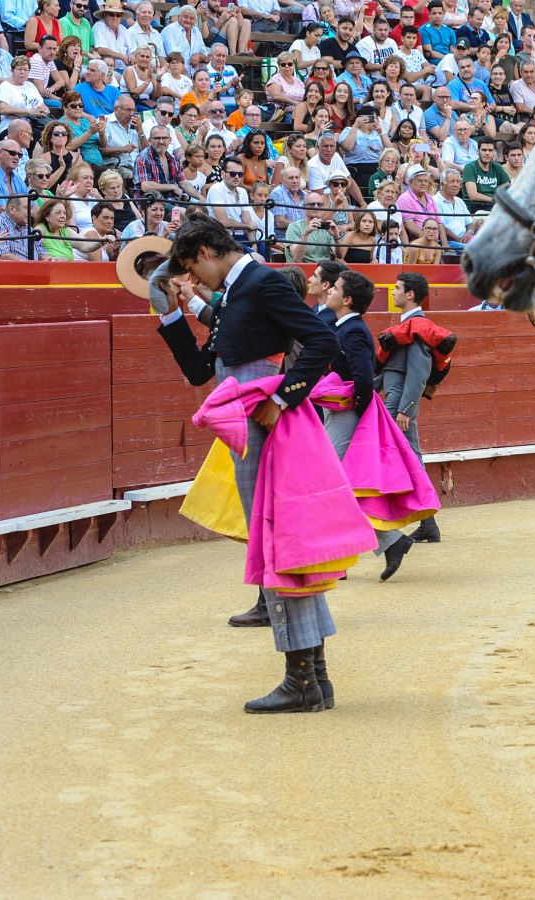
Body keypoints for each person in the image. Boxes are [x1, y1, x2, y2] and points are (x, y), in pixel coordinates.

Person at [155, 215, 341, 714]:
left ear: (207, 250)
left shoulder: (261, 282)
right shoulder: (238, 294)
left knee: (280, 541)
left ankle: (301, 678)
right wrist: (172, 315)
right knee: (279, 539)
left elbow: (324, 341)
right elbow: (202, 371)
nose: (194, 278)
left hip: (265, 424)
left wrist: (282, 397)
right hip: (243, 424)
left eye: (192, 267)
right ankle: (314, 677)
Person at [323, 269, 420, 580]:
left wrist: (362, 415)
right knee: (341, 486)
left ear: (347, 299)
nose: (330, 292)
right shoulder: (345, 327)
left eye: (335, 288)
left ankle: (341, 557)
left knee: (334, 484)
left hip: (348, 414)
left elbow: (363, 378)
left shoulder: (352, 331)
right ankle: (388, 543)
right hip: (343, 412)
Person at [377, 271, 441, 542]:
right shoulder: (408, 324)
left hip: (399, 403)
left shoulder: (416, 326)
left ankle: (392, 529)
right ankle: (427, 524)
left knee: (396, 459)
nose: (393, 292)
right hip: (395, 398)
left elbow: (418, 370)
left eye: (397, 288)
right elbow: (397, 368)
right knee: (410, 458)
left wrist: (407, 408)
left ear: (410, 294)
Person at [134, 124, 202, 200]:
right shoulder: (143, 158)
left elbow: (184, 183)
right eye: (157, 138)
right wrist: (172, 187)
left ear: (170, 140)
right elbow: (146, 186)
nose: (161, 141)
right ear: (150, 141)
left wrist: (200, 197)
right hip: (152, 204)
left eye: (165, 138)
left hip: (172, 202)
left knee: (196, 209)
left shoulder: (173, 159)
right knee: (183, 211)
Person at [207, 155, 259, 245]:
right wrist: (247, 226)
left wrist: (254, 244)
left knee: (268, 253)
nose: (236, 177)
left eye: (240, 174)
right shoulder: (216, 189)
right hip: (224, 238)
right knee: (256, 257)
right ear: (222, 174)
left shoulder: (242, 192)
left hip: (242, 237)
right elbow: (223, 221)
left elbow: (248, 221)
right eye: (232, 174)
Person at [0, 194, 48, 259]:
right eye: (27, 208)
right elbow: (3, 256)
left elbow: (41, 253)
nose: (31, 212)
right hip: (12, 269)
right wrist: (28, 265)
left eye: (31, 208)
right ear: (12, 209)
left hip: (33, 267)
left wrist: (49, 259)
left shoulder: (28, 227)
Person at [284, 190, 341, 262]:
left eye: (319, 204)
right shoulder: (294, 227)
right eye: (312, 204)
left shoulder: (327, 227)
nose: (316, 207)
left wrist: (336, 237)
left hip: (323, 270)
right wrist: (306, 234)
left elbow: (340, 255)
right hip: (300, 271)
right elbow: (297, 258)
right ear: (304, 207)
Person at [435, 168, 474, 251]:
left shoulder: (460, 201)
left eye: (458, 182)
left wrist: (469, 232)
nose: (456, 185)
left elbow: (470, 222)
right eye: (452, 181)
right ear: (442, 184)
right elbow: (439, 226)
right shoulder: (435, 201)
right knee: (474, 251)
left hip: (464, 240)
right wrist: (459, 240)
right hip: (448, 242)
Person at [269, 165, 307, 240]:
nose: (295, 181)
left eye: (297, 177)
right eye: (290, 178)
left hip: (305, 237)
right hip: (284, 238)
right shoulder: (277, 193)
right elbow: (280, 222)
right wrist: (304, 227)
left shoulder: (306, 195)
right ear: (282, 180)